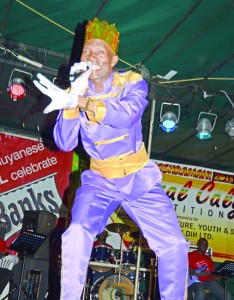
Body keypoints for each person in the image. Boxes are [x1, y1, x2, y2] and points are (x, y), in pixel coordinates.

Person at [33, 17, 188, 300]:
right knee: (76, 232)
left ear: (114, 59)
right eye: (86, 52)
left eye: (99, 52)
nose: (91, 57)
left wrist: (81, 103)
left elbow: (125, 115)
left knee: (175, 244)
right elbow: (65, 142)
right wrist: (71, 103)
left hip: (138, 178)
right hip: (100, 181)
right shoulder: (74, 92)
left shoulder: (132, 82)